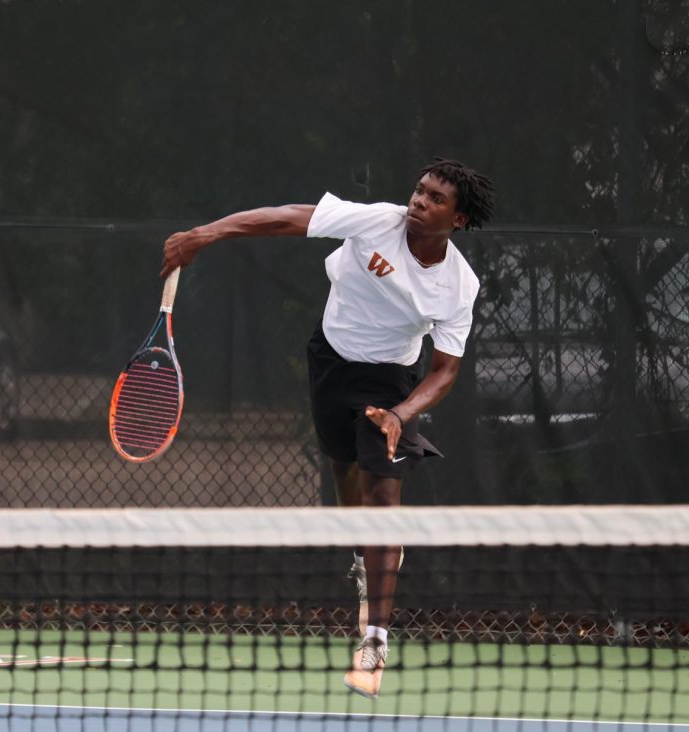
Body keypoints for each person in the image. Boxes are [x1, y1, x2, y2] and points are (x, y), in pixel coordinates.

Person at [161, 158, 496, 698]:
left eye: (436, 198)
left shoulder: (459, 286)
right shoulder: (376, 221)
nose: (419, 201)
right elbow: (285, 218)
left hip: (390, 383)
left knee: (383, 496)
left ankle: (375, 640)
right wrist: (206, 234)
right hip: (332, 359)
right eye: (419, 190)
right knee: (345, 476)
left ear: (457, 219)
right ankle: (365, 559)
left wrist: (400, 414)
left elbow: (445, 371)